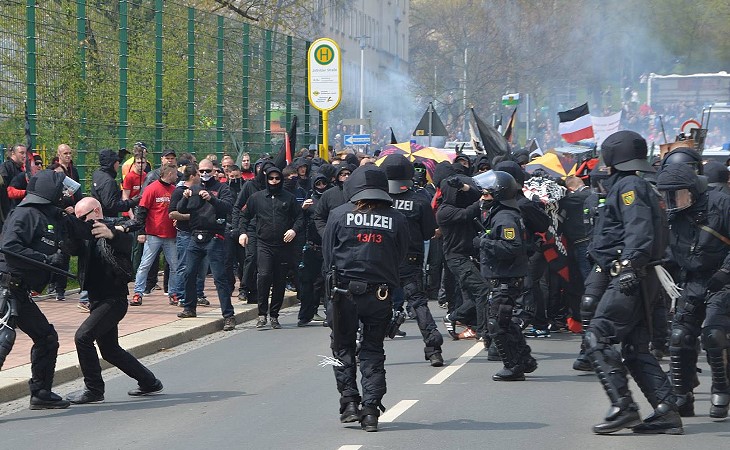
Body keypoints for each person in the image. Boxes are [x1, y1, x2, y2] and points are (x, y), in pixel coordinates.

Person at [584, 130, 683, 435]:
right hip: (642, 276)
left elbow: (639, 229)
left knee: (597, 337)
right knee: (636, 348)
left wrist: (628, 266)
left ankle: (623, 407)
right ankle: (666, 410)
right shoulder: (635, 184)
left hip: (630, 275)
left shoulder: (630, 186)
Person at [323, 165, 409, 432]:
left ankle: (349, 402)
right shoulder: (397, 219)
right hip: (380, 294)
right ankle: (371, 410)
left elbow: (328, 255)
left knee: (342, 348)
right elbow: (401, 255)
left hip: (343, 294)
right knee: (372, 350)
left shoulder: (338, 215)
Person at [65, 197, 163, 403]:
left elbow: (124, 241)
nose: (80, 221)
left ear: (96, 212)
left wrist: (112, 234)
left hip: (114, 300)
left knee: (82, 337)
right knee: (110, 350)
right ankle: (149, 382)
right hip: (97, 300)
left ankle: (94, 390)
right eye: (77, 218)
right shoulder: (84, 233)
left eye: (82, 217)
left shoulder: (114, 227)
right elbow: (72, 249)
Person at [656, 163, 730, 419]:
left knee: (713, 334)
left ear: (692, 189)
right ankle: (682, 392)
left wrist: (726, 272)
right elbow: (669, 252)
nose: (671, 200)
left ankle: (721, 388)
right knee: (679, 337)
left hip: (722, 280)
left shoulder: (721, 203)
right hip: (692, 281)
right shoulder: (674, 215)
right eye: (667, 195)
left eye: (676, 194)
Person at [0, 170, 77, 409]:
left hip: (20, 291)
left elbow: (72, 241)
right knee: (3, 341)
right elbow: (9, 247)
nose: (65, 193)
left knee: (46, 338)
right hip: (7, 287)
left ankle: (41, 393)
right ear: (48, 191)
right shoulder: (25, 214)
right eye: (60, 189)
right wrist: (45, 260)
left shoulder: (51, 215)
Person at [474, 170, 538, 381]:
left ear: (499, 195)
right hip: (504, 276)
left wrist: (484, 242)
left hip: (506, 278)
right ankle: (525, 359)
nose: (483, 198)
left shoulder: (505, 217)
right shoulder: (502, 214)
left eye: (486, 195)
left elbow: (512, 247)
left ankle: (513, 366)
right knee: (507, 321)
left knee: (496, 323)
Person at [381, 154, 443, 366]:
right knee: (417, 303)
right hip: (410, 259)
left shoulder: (377, 200)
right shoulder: (419, 199)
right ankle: (433, 347)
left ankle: (364, 343)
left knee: (375, 303)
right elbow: (428, 233)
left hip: (382, 260)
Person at [239, 166, 303, 329]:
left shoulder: (288, 198)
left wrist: (293, 230)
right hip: (264, 243)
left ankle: (274, 315)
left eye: (277, 178)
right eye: (271, 178)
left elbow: (300, 218)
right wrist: (243, 232)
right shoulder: (256, 198)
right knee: (264, 276)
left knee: (279, 280)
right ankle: (262, 314)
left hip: (283, 245)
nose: (274, 181)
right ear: (266, 180)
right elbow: (244, 216)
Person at [176, 158, 235, 331]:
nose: (204, 174)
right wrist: (185, 198)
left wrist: (211, 199)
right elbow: (181, 209)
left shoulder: (222, 188)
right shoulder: (194, 188)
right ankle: (189, 307)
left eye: (208, 171)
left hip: (214, 236)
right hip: (195, 237)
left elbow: (227, 207)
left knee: (219, 278)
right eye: (201, 171)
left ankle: (228, 315)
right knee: (189, 273)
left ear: (214, 172)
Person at [120, 165, 180, 306]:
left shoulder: (174, 190)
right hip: (153, 234)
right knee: (145, 264)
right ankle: (138, 293)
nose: (177, 177)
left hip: (171, 235)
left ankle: (173, 293)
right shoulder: (152, 189)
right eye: (175, 174)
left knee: (174, 265)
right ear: (170, 173)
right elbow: (142, 211)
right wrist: (142, 231)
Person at [91, 149, 140, 219]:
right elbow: (111, 205)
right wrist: (131, 203)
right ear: (113, 163)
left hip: (98, 215)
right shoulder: (109, 181)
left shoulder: (97, 174)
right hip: (106, 219)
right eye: (117, 162)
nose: (118, 164)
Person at [0, 144, 27, 226]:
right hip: (9, 209)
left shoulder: (23, 169)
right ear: (13, 153)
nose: (24, 156)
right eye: (21, 153)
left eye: (25, 153)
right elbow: (5, 190)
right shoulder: (6, 167)